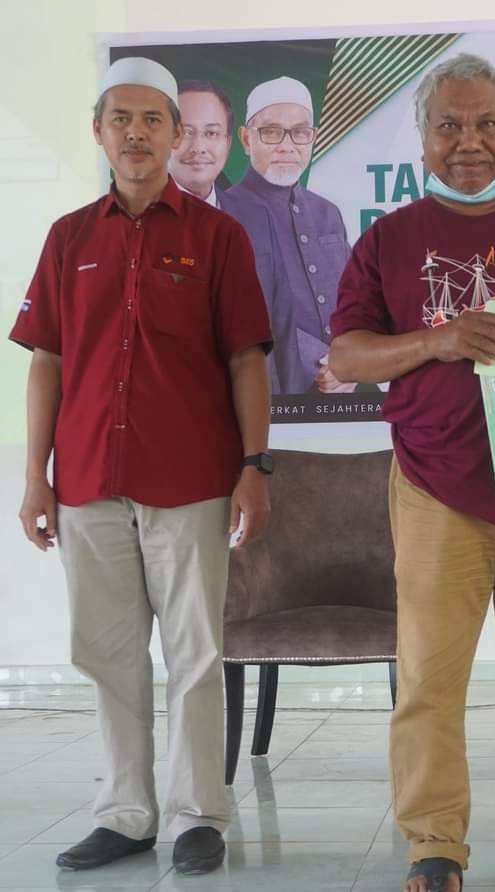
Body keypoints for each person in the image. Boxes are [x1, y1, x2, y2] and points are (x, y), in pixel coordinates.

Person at [329, 53, 495, 892]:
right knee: (431, 679)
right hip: (437, 483)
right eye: (450, 125)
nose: (469, 141)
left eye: (486, 124)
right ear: (424, 139)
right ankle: (435, 847)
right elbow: (347, 355)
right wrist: (440, 339)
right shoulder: (390, 237)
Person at [12, 57, 273, 876]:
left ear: (177, 134)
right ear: (98, 131)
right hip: (88, 479)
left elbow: (246, 359)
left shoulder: (217, 237)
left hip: (191, 479)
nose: (136, 133)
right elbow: (47, 360)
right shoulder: (69, 239)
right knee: (107, 653)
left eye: (152, 119)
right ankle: (125, 814)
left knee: (195, 653)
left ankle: (199, 816)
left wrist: (255, 464)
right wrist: (35, 476)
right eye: (120, 119)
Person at [221, 75, 352, 395]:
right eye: (271, 131)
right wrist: (323, 362)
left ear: (313, 138)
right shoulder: (224, 214)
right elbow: (238, 312)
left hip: (346, 387)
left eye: (300, 132)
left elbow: (355, 297)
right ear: (246, 139)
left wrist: (352, 358)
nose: (287, 145)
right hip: (270, 391)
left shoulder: (327, 212)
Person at [168, 79, 234, 207]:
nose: (198, 147)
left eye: (211, 133)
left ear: (228, 143)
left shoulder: (250, 213)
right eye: (185, 133)